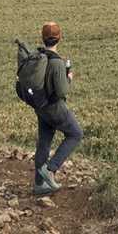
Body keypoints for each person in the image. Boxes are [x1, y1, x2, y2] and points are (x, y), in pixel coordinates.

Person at [31, 21, 83, 196]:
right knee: (75, 133)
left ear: (42, 38)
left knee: (44, 142)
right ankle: (50, 169)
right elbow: (62, 91)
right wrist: (68, 78)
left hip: (41, 106)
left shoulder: (38, 57)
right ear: (60, 38)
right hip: (54, 108)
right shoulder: (56, 62)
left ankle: (39, 184)